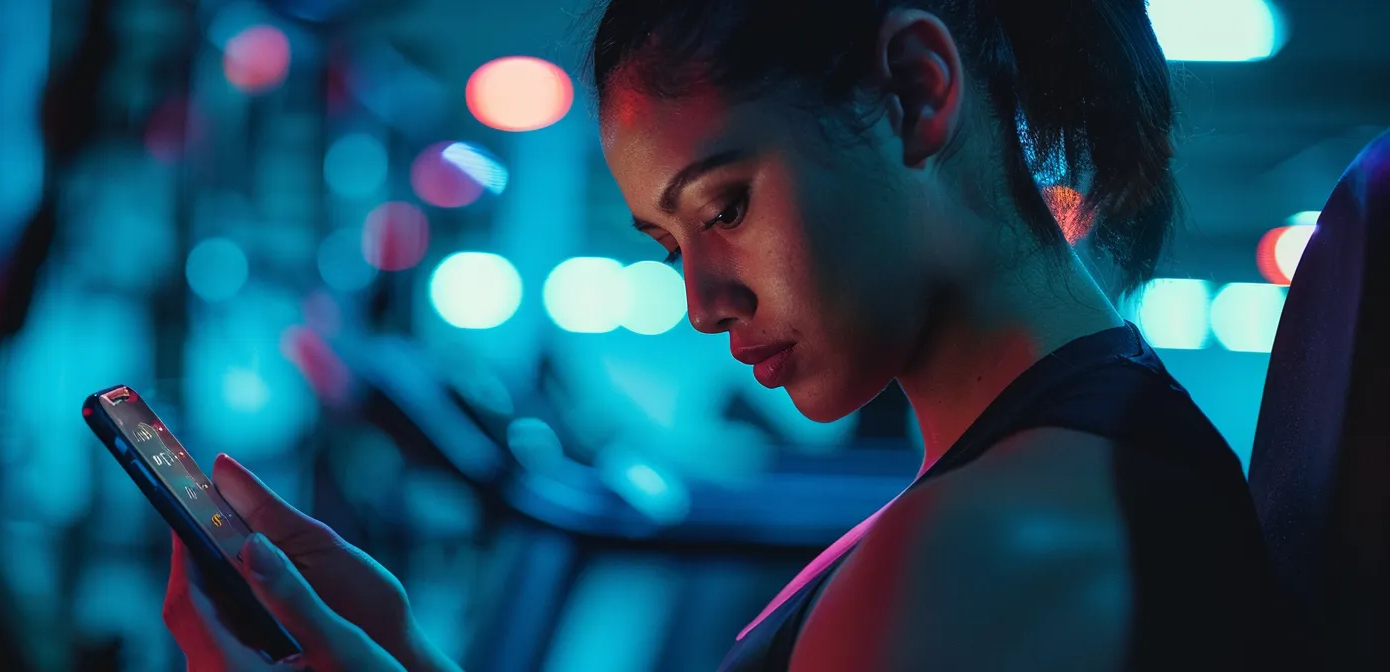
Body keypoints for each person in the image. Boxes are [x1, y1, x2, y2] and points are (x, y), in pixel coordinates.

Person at [162, 0, 1285, 670]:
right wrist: (402, 650)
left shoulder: (985, 546)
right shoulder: (1030, 477)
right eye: (669, 244)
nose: (703, 303)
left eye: (727, 207)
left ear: (915, 91)